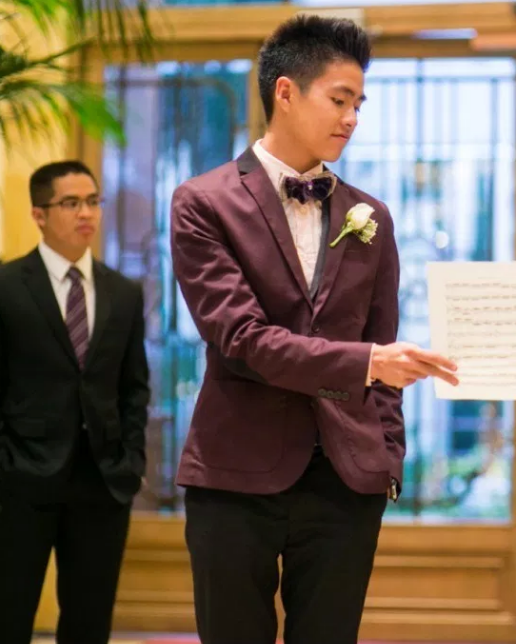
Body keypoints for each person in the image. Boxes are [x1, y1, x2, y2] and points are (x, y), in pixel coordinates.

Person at [169, 15, 459, 644]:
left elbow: (383, 332)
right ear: (285, 92)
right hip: (235, 472)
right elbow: (240, 339)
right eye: (339, 99)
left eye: (358, 103)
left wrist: (386, 456)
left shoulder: (369, 215)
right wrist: (366, 364)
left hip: (345, 479)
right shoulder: (203, 202)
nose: (351, 118)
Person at [0, 160, 150, 644]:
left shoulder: (123, 293)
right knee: (9, 612)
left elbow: (134, 387)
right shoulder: (6, 287)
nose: (86, 212)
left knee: (88, 621)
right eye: (70, 203)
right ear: (39, 214)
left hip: (103, 481)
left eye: (92, 201)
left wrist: (131, 460)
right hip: (19, 480)